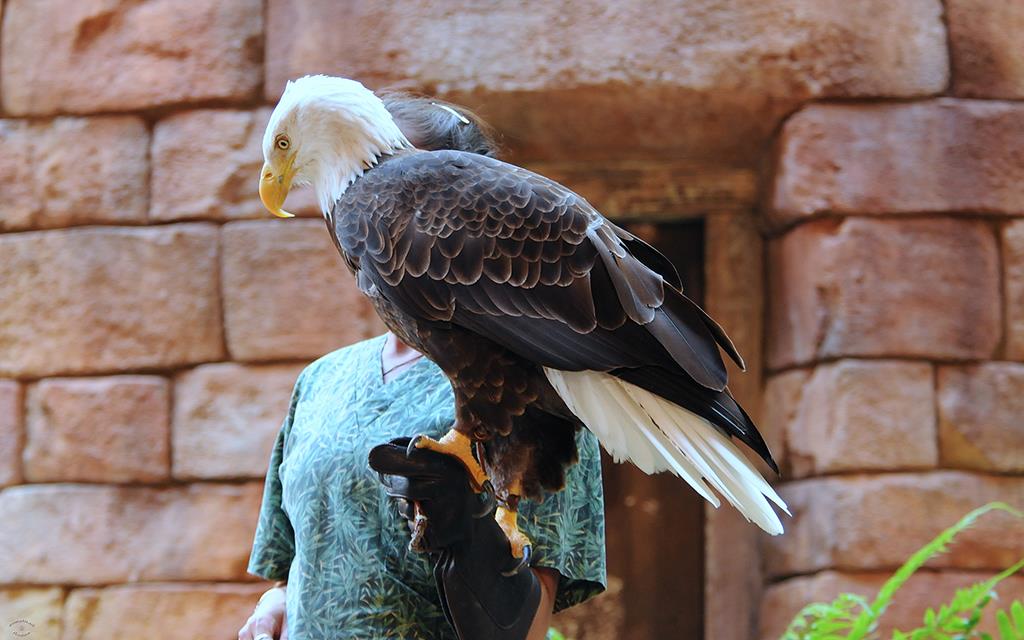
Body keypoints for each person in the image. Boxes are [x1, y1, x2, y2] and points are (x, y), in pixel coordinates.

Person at [238, 94, 607, 640]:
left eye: (400, 181)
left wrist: (472, 538)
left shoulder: (540, 385)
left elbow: (525, 627)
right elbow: (297, 559)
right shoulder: (322, 381)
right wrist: (277, 605)